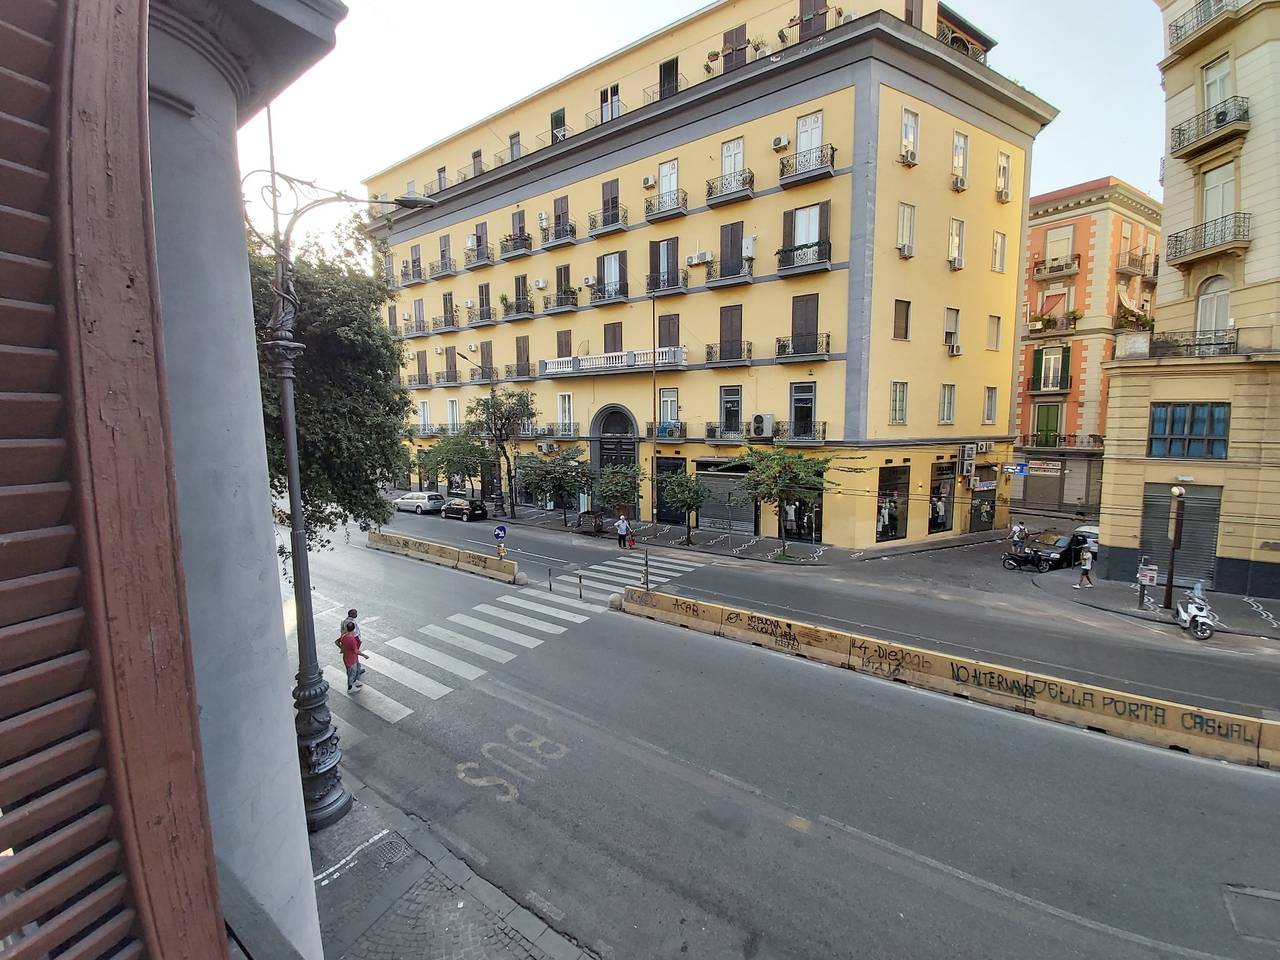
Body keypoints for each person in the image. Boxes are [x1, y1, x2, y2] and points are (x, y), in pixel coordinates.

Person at [337, 619, 368, 691]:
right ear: (354, 629)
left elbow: (336, 642)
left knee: (355, 671)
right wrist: (364, 655)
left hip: (348, 657)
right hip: (351, 659)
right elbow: (356, 651)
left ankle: (353, 682)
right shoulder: (351, 639)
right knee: (352, 673)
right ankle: (350, 687)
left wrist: (342, 648)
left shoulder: (343, 635)